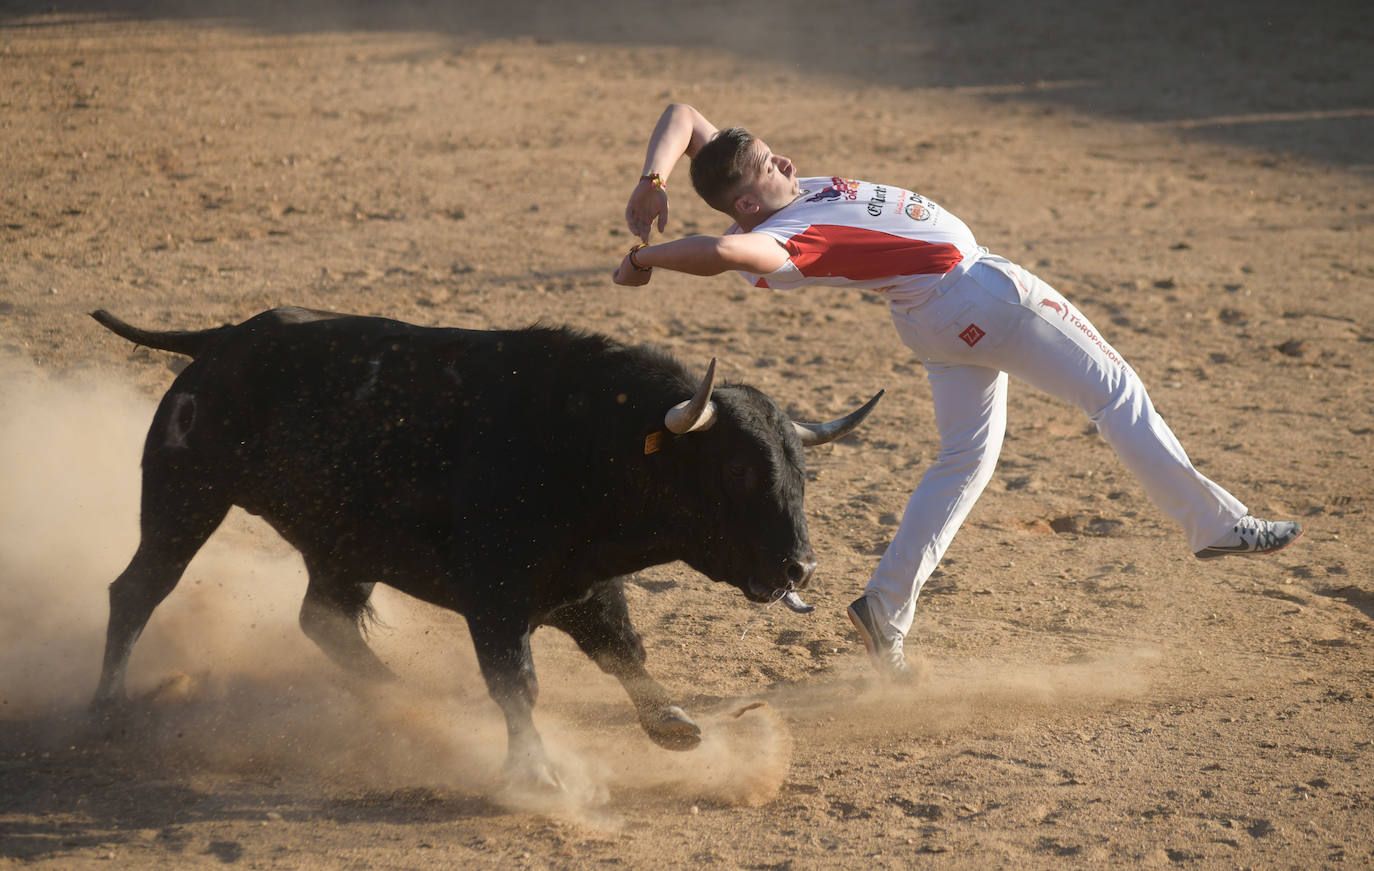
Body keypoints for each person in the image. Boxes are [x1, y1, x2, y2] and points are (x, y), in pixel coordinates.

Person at [612, 103, 1303, 681]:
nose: (787, 161)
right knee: (1115, 390)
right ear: (747, 203)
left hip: (932, 319)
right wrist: (646, 258)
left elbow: (687, 118)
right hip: (978, 294)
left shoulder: (769, 196)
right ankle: (1214, 524)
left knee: (965, 460)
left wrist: (654, 180)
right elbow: (728, 252)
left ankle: (885, 608)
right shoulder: (788, 235)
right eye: (770, 165)